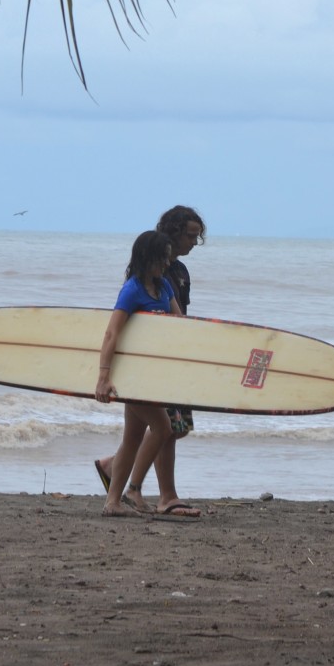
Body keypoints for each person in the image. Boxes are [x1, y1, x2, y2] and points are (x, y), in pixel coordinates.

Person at [94, 206, 207, 517]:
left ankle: (113, 502)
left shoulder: (165, 285)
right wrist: (103, 377)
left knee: (133, 437)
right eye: (161, 259)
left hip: (154, 372)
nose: (166, 264)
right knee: (163, 427)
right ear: (148, 260)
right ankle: (132, 490)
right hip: (132, 373)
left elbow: (178, 321)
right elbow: (111, 333)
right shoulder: (131, 291)